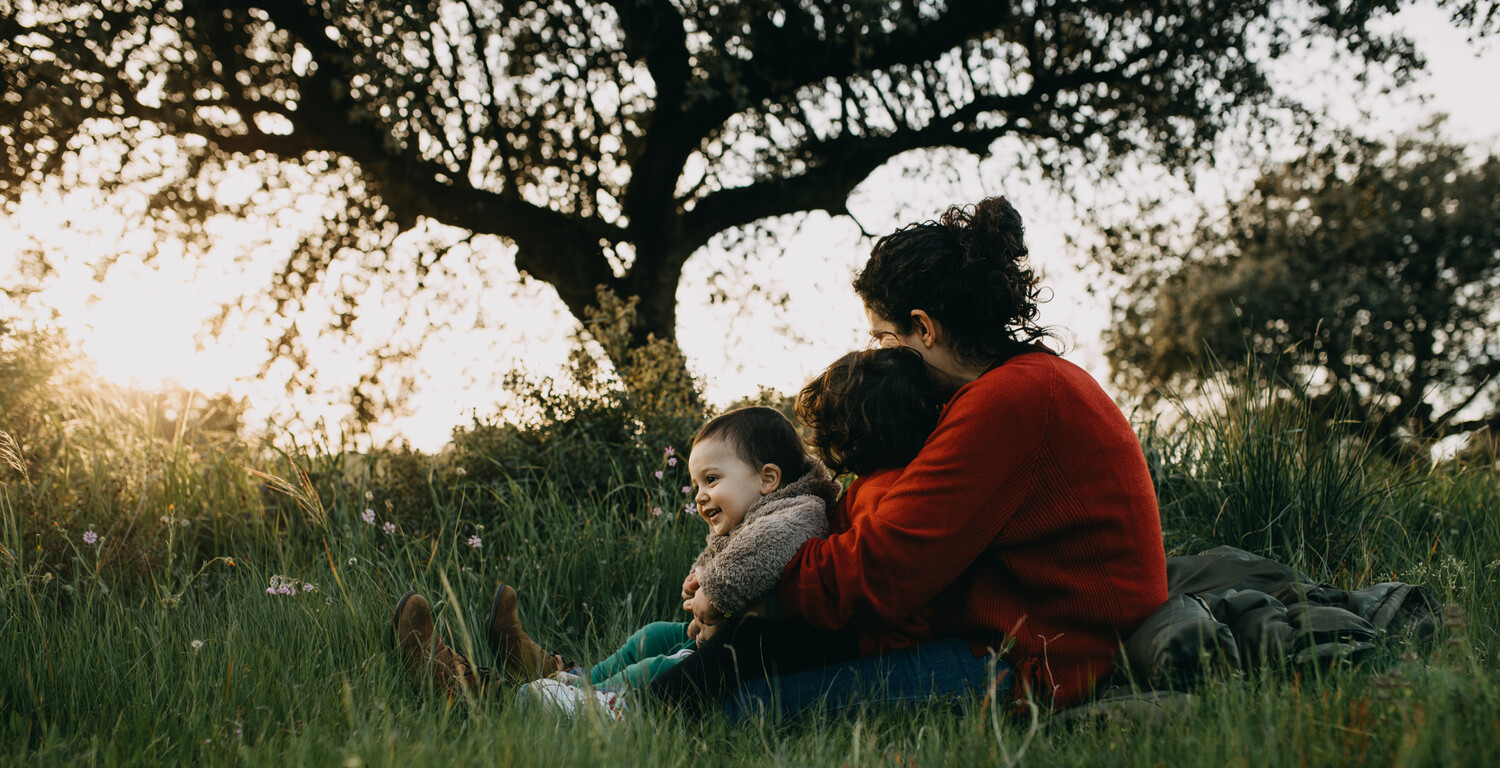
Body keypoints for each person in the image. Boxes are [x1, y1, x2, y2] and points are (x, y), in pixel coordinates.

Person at [649, 196, 1169, 714]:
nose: (877, 356)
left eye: (882, 337)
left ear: (923, 328)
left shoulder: (1011, 401)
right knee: (706, 649)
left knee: (740, 703)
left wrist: (749, 589)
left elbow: (882, 569)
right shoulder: (1012, 388)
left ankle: (617, 706)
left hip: (1040, 660)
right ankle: (592, 688)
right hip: (1010, 633)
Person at [389, 406, 841, 697]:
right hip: (732, 639)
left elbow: (758, 553)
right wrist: (702, 573)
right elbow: (727, 550)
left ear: (767, 479)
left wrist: (714, 591)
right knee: (652, 636)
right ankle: (566, 678)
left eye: (713, 480)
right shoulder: (762, 510)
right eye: (697, 483)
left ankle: (536, 699)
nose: (700, 495)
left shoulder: (797, 512)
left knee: (659, 664)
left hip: (754, 659)